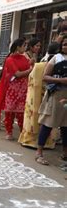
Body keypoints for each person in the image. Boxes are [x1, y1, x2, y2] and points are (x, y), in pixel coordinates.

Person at [19, 42, 60, 149]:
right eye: (36, 45)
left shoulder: (39, 65)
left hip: (37, 97)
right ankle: (47, 143)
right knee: (49, 119)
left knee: (41, 118)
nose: (38, 47)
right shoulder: (54, 65)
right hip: (53, 96)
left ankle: (34, 142)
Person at [35, 37, 67, 165]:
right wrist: (61, 81)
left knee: (66, 127)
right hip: (56, 95)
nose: (66, 46)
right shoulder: (56, 58)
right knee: (48, 124)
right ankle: (39, 153)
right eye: (65, 44)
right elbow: (45, 77)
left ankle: (65, 153)